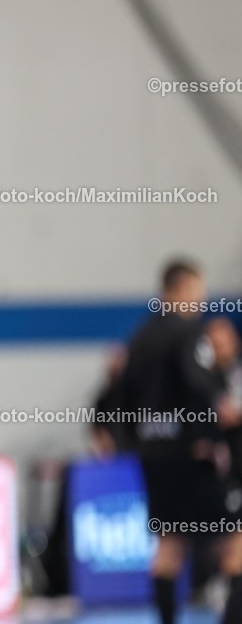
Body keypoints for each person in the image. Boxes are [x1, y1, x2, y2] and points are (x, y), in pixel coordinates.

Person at [117, 259, 242, 624]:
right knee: (235, 542)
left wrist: (135, 443)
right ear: (183, 288)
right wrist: (214, 422)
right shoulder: (188, 332)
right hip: (190, 455)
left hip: (153, 456)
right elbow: (197, 381)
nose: (201, 302)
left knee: (168, 545)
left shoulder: (139, 337)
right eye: (198, 292)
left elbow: (121, 396)